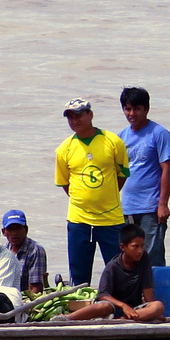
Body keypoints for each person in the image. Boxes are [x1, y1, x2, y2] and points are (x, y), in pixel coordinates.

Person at [55, 98, 131, 285]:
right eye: (70, 117)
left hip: (111, 219)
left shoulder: (113, 142)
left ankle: (119, 310)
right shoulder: (64, 149)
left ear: (90, 114)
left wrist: (104, 196)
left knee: (119, 272)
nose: (75, 121)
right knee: (79, 277)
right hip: (79, 220)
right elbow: (65, 183)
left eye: (79, 115)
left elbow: (123, 175)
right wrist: (84, 200)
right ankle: (84, 311)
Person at [118, 87, 170, 266]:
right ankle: (134, 294)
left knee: (151, 255)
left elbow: (167, 169)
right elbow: (118, 173)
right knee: (128, 256)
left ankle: (154, 292)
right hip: (127, 208)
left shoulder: (159, 133)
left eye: (137, 108)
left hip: (151, 207)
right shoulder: (121, 136)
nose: (132, 113)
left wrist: (163, 204)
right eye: (127, 108)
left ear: (146, 109)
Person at [66, 223, 167, 322]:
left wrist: (154, 313)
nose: (140, 251)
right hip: (113, 307)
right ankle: (67, 318)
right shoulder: (113, 267)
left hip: (135, 309)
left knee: (158, 306)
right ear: (123, 247)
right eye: (135, 246)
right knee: (103, 306)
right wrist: (123, 306)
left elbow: (147, 287)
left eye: (142, 246)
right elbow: (103, 295)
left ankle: (121, 320)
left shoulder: (143, 258)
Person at [0, 209, 48, 293]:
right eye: (10, 229)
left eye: (18, 228)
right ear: (4, 232)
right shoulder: (3, 249)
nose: (15, 233)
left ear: (26, 229)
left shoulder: (35, 250)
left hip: (24, 299)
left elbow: (35, 288)